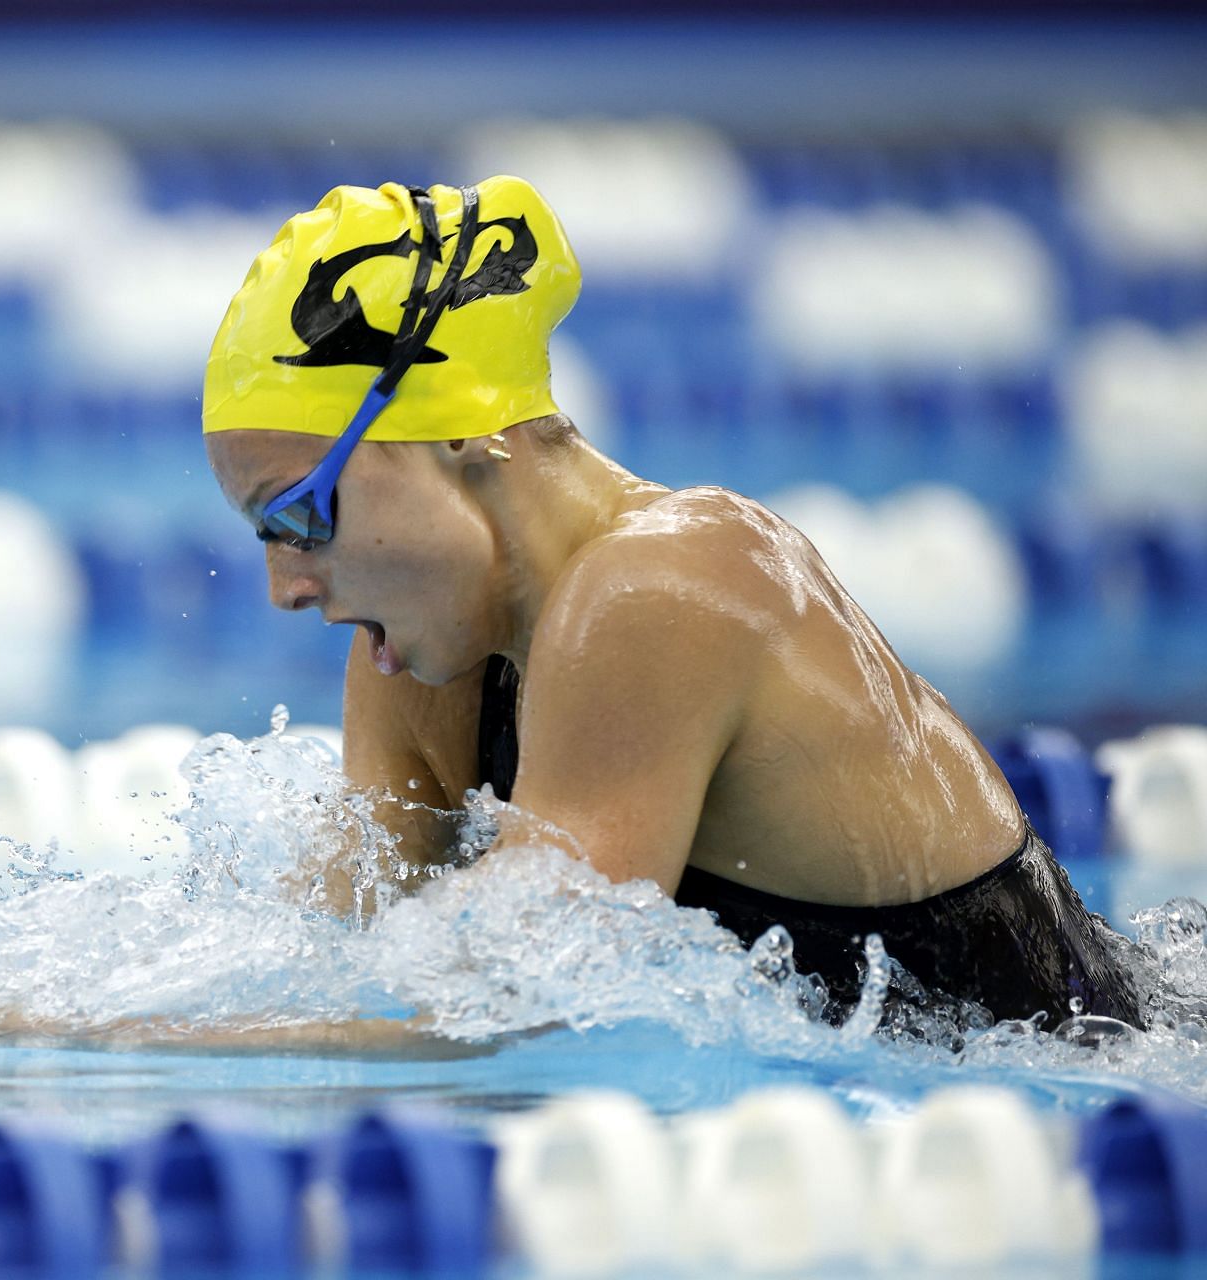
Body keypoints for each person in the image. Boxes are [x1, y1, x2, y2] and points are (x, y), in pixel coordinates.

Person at [202, 175, 1146, 1029]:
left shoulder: (668, 585)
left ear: (462, 437)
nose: (286, 587)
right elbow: (326, 957)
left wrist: (110, 1045)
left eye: (302, 514)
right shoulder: (425, 650)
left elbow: (514, 996)